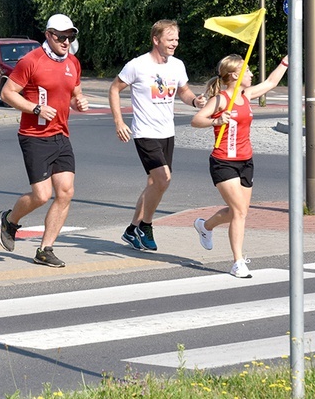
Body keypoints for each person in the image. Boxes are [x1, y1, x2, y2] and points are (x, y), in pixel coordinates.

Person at [0, 14, 89, 268]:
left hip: (61, 135)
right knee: (41, 195)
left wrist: (78, 101)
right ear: (48, 35)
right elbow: (7, 93)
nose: (66, 41)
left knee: (66, 192)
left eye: (71, 37)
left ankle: (45, 249)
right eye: (61, 37)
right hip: (34, 136)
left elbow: (74, 91)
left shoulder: (73, 62)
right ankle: (9, 220)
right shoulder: (31, 61)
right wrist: (35, 109)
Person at [108, 20, 206, 251]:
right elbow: (114, 89)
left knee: (155, 184)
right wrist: (118, 121)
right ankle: (147, 225)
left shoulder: (177, 65)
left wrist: (194, 100)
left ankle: (132, 230)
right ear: (156, 39)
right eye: (170, 39)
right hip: (145, 132)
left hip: (167, 132)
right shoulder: (137, 65)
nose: (175, 43)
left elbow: (183, 90)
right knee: (164, 179)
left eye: (177, 39)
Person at [191, 54, 289, 278]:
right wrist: (216, 120)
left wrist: (285, 62)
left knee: (239, 212)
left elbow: (271, 83)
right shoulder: (222, 99)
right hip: (223, 161)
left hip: (246, 161)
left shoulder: (246, 94)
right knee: (239, 212)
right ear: (235, 75)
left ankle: (205, 227)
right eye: (247, 71)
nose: (252, 74)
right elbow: (196, 120)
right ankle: (238, 262)